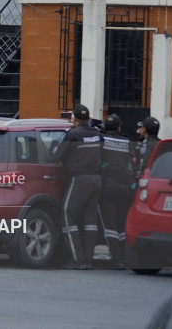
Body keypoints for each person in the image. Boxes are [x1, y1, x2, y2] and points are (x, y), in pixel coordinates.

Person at [53, 104, 103, 270]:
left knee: (67, 214)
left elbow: (57, 156)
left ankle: (77, 259)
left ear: (74, 118)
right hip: (96, 179)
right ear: (88, 118)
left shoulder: (72, 134)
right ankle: (88, 259)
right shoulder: (97, 133)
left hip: (79, 179)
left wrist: (66, 170)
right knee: (90, 220)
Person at [97, 114, 133, 269]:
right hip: (125, 187)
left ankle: (117, 258)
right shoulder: (128, 143)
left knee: (110, 224)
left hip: (108, 186)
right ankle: (126, 256)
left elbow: (97, 161)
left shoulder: (102, 141)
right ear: (119, 128)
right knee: (122, 222)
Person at [132, 116, 161, 185]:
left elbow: (143, 163)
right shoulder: (161, 143)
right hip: (159, 180)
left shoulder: (145, 144)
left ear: (144, 129)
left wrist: (137, 178)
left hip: (146, 182)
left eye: (141, 128)